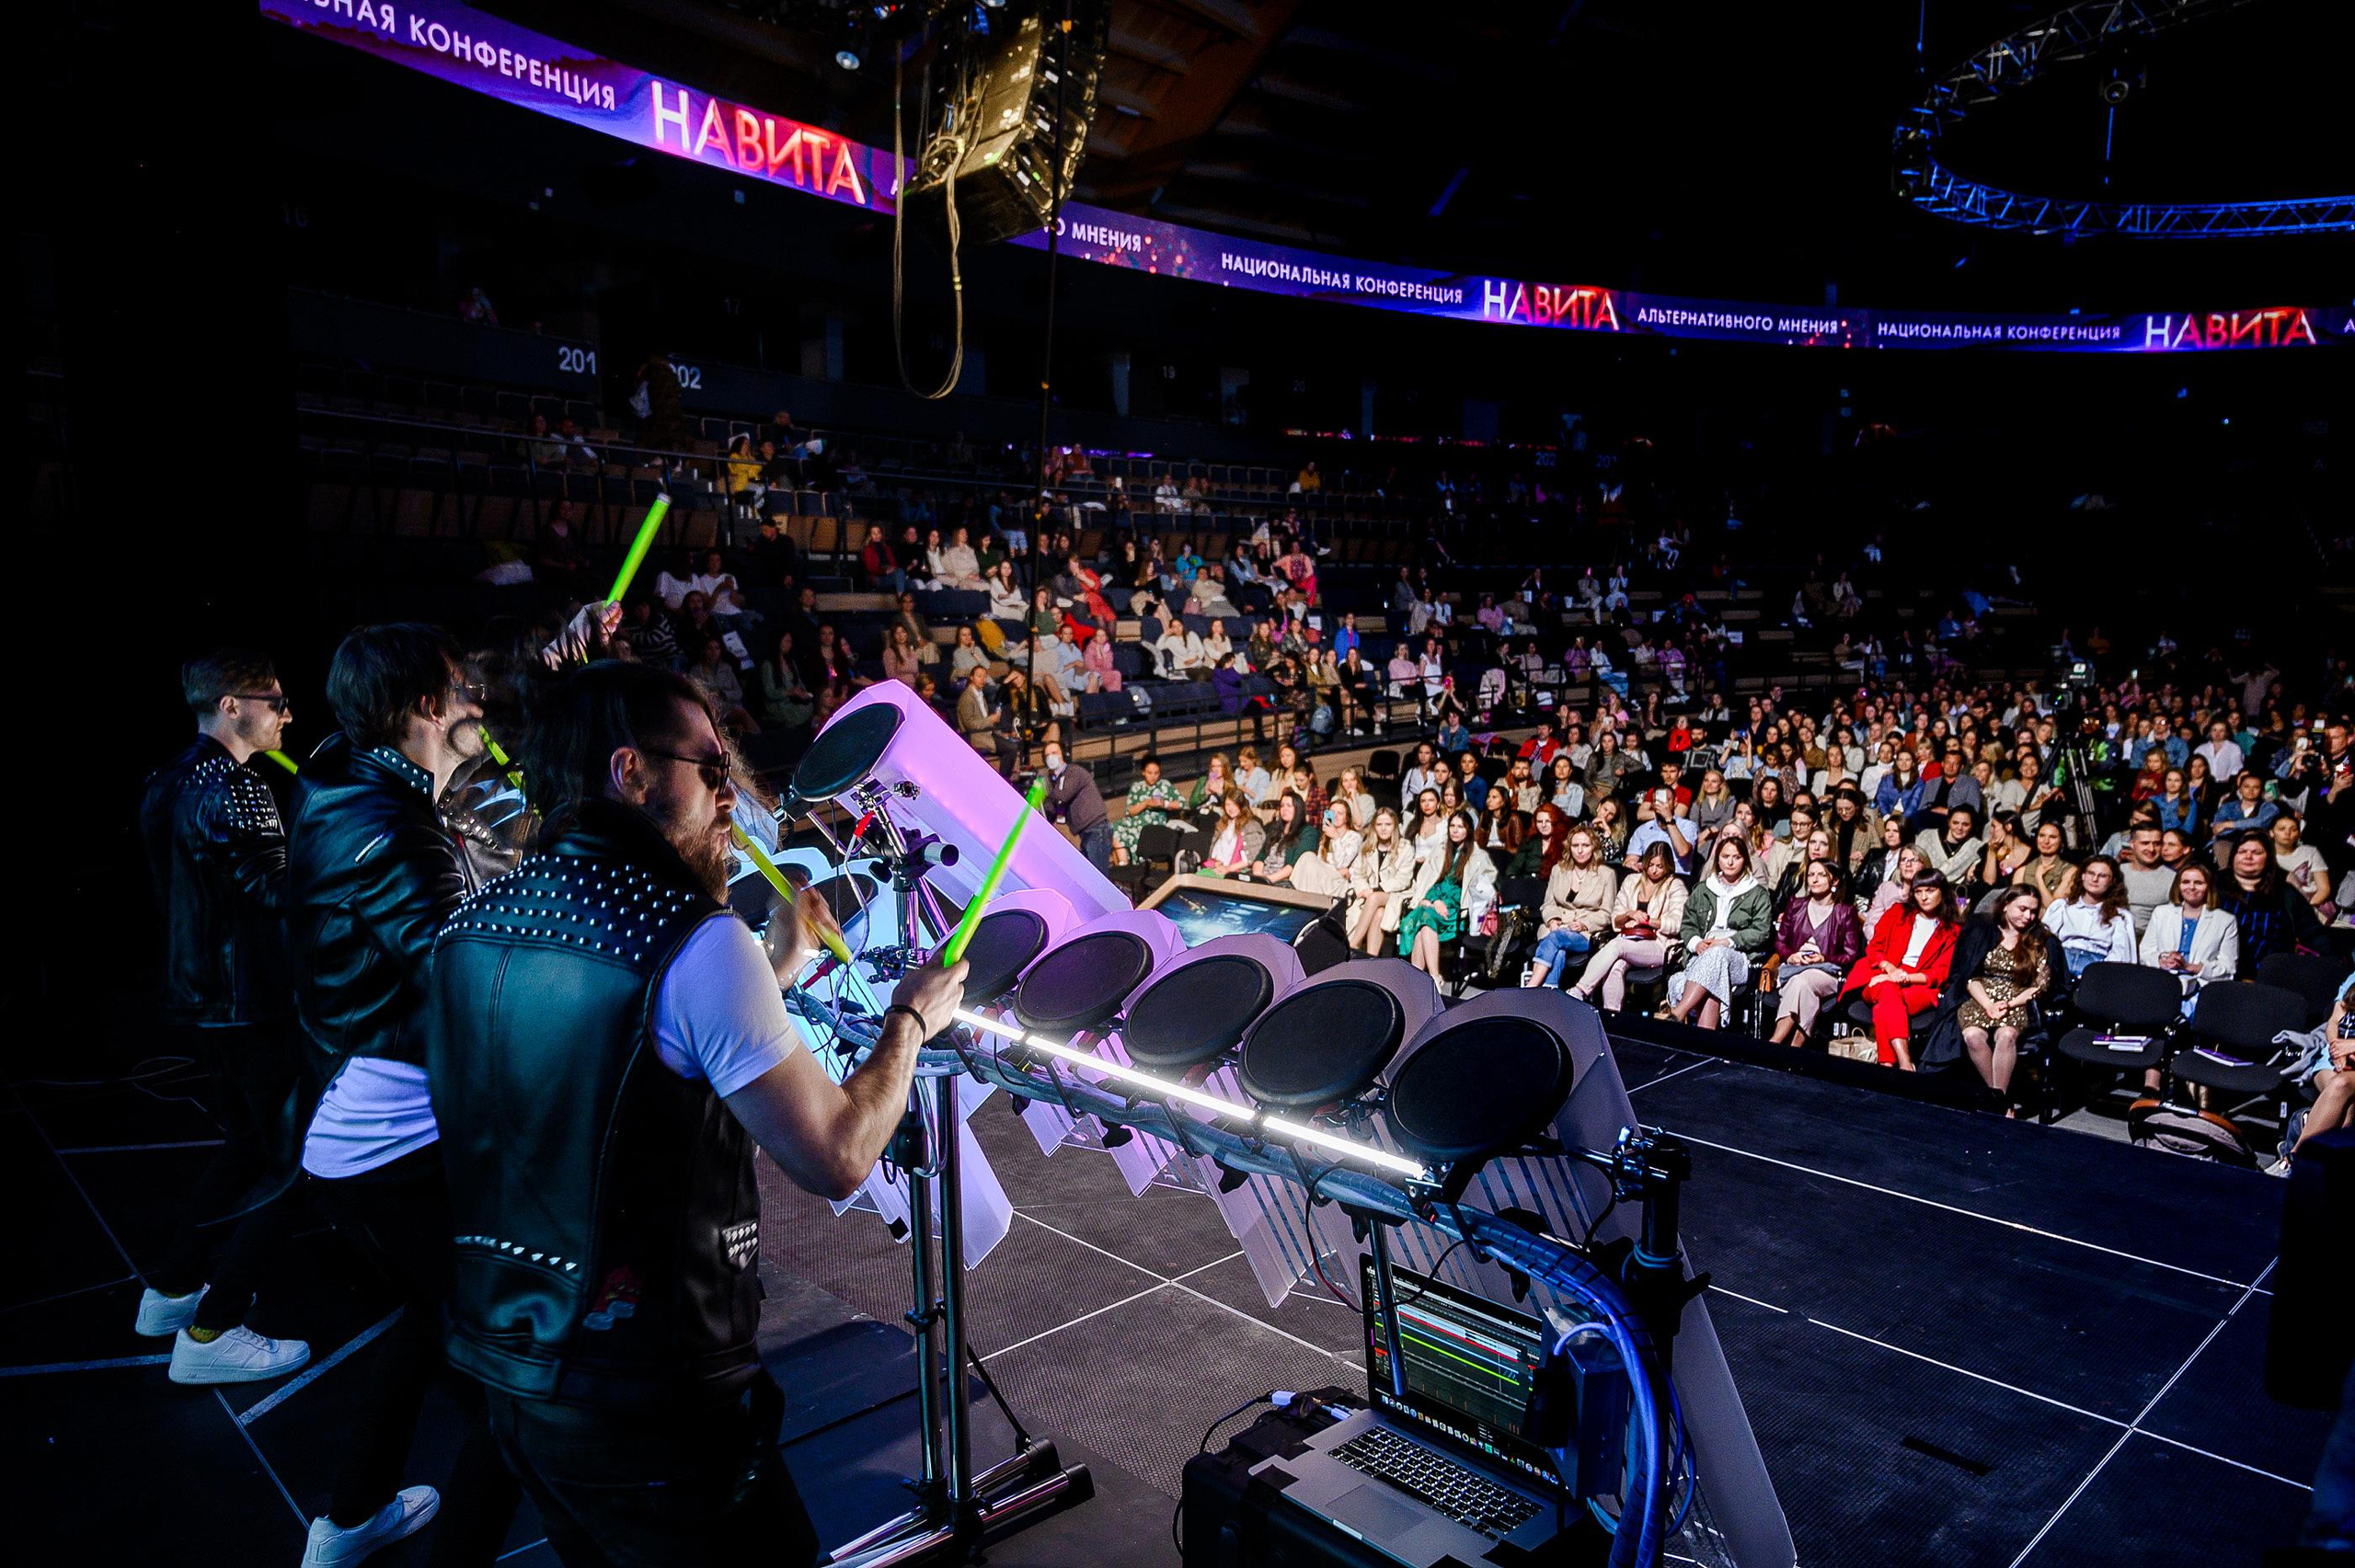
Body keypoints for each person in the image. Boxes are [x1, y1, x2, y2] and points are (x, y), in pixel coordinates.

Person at [420, 659, 968, 1568]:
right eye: (711, 768)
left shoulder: (476, 917)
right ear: (631, 772)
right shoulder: (697, 941)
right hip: (654, 1397)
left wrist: (776, 968)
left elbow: (608, 1055)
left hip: (510, 1369)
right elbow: (837, 1153)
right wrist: (910, 1017)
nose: (731, 796)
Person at [287, 621, 577, 1565]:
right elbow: (467, 975)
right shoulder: (385, 828)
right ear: (421, 706)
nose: (472, 707)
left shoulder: (358, 786)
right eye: (458, 692)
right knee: (518, 1377)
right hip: (386, 1140)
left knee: (427, 1320)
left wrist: (549, 665)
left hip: (363, 1127)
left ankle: (347, 1517)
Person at [134, 652, 312, 1384]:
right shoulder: (239, 786)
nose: (287, 714)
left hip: (197, 997)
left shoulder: (165, 780)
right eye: (275, 700)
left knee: (244, 1145)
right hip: (247, 1002)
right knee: (295, 1161)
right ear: (233, 704)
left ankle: (171, 1292)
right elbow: (276, 896)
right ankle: (215, 1327)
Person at [1934, 886, 2055, 1106]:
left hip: (2018, 998)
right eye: (2022, 909)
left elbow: (2041, 985)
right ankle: (1999, 1100)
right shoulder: (1984, 932)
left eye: (2033, 911)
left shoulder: (2037, 939)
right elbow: (1970, 976)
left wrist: (2010, 1003)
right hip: (1981, 996)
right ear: (2006, 905)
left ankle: (1998, 1099)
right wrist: (1988, 1004)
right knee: (1972, 1036)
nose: (2028, 916)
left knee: (2006, 1035)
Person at [1841, 870, 1961, 1070]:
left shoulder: (1952, 930)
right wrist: (1889, 969)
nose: (1923, 897)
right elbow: (1875, 947)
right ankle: (1905, 1062)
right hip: (1880, 974)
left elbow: (1940, 973)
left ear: (1942, 892)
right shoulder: (1898, 912)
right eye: (1918, 891)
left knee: (1884, 1005)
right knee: (1888, 992)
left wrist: (1900, 978)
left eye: (1930, 891)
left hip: (1920, 984)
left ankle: (1887, 1063)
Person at [1664, 836, 1773, 1030]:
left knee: (1717, 956)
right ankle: (1705, 1043)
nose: (1730, 862)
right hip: (1702, 953)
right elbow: (1688, 925)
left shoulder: (1757, 893)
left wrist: (1728, 942)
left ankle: (1678, 1014)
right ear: (1718, 859)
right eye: (1725, 856)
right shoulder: (1703, 890)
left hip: (1740, 958)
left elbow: (1761, 931)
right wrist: (1696, 942)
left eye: (1737, 857)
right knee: (1704, 978)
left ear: (1745, 860)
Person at [1568, 843, 1687, 1012]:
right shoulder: (1632, 881)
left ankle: (1579, 991)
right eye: (1650, 865)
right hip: (1630, 939)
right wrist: (1630, 914)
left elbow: (1676, 924)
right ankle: (1612, 1016)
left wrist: (1646, 921)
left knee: (1617, 946)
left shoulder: (1675, 886)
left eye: (1659, 866)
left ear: (1667, 865)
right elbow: (1615, 919)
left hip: (1659, 944)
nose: (1654, 870)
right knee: (1616, 965)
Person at [1765, 860, 1866, 1048]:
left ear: (1834, 881)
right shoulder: (1795, 905)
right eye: (1811, 875)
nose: (1814, 879)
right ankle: (1795, 1048)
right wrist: (1790, 955)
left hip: (1827, 973)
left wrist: (1824, 958)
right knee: (1802, 985)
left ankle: (1775, 1043)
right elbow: (1780, 941)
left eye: (1821, 875)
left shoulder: (1845, 912)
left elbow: (1850, 954)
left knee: (1803, 981)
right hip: (1795, 969)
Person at [2270, 972, 2355, 1174]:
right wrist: (2336, 1050)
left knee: (2344, 1089)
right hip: (2332, 1061)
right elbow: (2334, 1021)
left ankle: (2294, 1158)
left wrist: (2351, 1046)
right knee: (2346, 1098)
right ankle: (2314, 1172)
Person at [1524, 821, 1618, 989]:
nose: (1580, 850)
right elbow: (1548, 903)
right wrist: (1552, 919)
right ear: (1569, 847)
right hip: (1556, 928)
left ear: (1594, 847)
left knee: (1556, 938)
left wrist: (1584, 923)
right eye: (1575, 845)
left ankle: (1531, 988)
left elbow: (1606, 913)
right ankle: (1549, 994)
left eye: (1585, 845)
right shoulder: (1558, 870)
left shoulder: (1606, 874)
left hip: (1585, 934)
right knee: (1558, 952)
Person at [2216, 829, 2319, 970]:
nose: (2248, 857)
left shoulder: (2285, 893)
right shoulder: (2214, 885)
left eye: (2256, 853)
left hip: (2269, 974)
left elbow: (2312, 933)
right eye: (2242, 852)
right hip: (2220, 971)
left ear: (2269, 858)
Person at [2141, 861, 2239, 1001]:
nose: (2191, 887)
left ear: (2208, 887)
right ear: (2178, 885)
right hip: (2162, 983)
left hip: (2203, 989)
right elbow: (2145, 953)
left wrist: (2193, 967)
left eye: (2198, 883)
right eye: (2186, 882)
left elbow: (2228, 969)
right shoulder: (2161, 913)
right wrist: (2162, 961)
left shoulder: (2225, 921)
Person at [1399, 810, 1476, 980]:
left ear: (1468, 830)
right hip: (1436, 906)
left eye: (1460, 827)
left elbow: (1470, 893)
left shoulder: (1474, 856)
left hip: (1456, 912)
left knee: (1424, 922)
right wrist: (1433, 900)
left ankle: (1428, 977)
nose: (1455, 830)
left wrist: (1438, 903)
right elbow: (1432, 880)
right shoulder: (1441, 850)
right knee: (1424, 926)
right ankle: (1427, 979)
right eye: (1452, 826)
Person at [2042, 854, 2138, 979]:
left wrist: (2098, 974)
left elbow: (2122, 957)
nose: (2095, 879)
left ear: (2113, 881)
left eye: (2103, 876)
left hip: (2097, 967)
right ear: (2082, 876)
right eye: (2091, 873)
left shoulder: (2120, 917)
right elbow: (2045, 942)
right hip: (2062, 961)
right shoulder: (2062, 907)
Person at [1348, 807, 1420, 956]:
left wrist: (1374, 890)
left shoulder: (1405, 847)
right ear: (1374, 827)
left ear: (1394, 826)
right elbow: (1357, 873)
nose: (1383, 829)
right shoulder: (1367, 847)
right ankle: (1370, 958)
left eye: (1388, 824)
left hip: (1397, 895)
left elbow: (1403, 879)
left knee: (1375, 898)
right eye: (1379, 824)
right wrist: (1364, 889)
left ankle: (1352, 945)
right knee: (1379, 913)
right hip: (1370, 899)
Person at [1039, 739, 1110, 871]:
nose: (1051, 757)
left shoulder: (1074, 772)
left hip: (1097, 829)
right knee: (1088, 875)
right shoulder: (1057, 780)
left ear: (1063, 754)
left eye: (1054, 753)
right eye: (1047, 755)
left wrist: (1045, 788)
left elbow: (1062, 796)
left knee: (1098, 876)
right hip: (1086, 832)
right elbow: (1052, 809)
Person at [1111, 754, 1184, 864]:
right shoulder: (1137, 787)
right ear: (1143, 772)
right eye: (1150, 773)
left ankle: (1125, 866)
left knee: (1136, 833)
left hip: (1152, 826)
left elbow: (1182, 803)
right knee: (1116, 827)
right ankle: (1123, 864)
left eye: (1156, 773)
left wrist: (1164, 803)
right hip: (1133, 822)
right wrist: (1146, 803)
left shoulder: (1164, 786)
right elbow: (1130, 811)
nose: (1153, 776)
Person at [2014, 818, 2077, 910]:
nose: (2046, 841)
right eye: (2042, 836)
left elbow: (2053, 909)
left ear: (2061, 842)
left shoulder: (2071, 871)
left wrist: (2039, 879)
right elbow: (2016, 906)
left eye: (2052, 837)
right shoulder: (2022, 871)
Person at [1201, 787, 1265, 876]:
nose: (1231, 808)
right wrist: (1216, 862)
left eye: (1234, 804)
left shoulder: (1251, 826)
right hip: (1218, 867)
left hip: (1238, 871)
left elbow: (1252, 857)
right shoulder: (1222, 824)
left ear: (1241, 805)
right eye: (1228, 805)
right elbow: (1216, 850)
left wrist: (1228, 869)